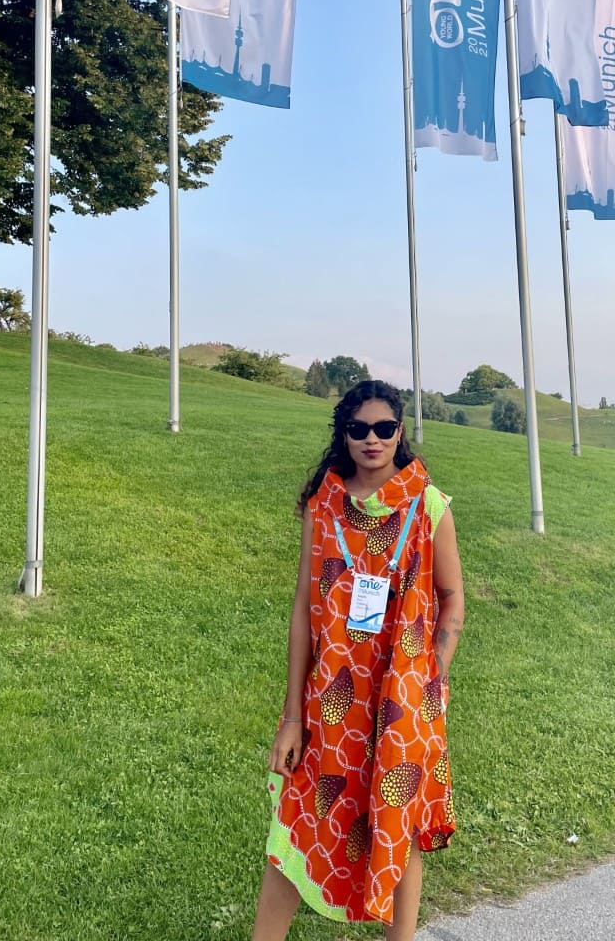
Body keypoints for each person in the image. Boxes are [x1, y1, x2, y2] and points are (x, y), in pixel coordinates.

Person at [252, 380, 465, 940]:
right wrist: (293, 715)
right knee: (297, 822)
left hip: (403, 701)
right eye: (358, 429)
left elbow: (452, 598)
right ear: (343, 435)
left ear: (400, 432)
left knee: (401, 826)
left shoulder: (429, 505)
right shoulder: (322, 506)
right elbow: (302, 607)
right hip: (331, 701)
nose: (372, 439)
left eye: (384, 428)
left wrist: (433, 669)